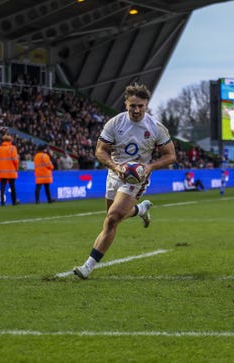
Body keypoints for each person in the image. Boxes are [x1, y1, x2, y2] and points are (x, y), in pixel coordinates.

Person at [73, 83, 177, 279]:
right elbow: (100, 151)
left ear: (147, 105)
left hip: (137, 177)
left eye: (141, 106)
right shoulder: (114, 123)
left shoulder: (156, 128)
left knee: (113, 217)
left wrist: (149, 167)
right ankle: (140, 209)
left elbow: (171, 155)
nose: (136, 110)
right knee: (111, 220)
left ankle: (88, 266)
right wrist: (115, 167)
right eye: (132, 106)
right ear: (126, 104)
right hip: (115, 174)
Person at [0, 134, 20, 206]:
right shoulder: (12, 148)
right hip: (11, 171)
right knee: (12, 187)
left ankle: (2, 203)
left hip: (2, 172)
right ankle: (14, 202)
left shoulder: (0, 148)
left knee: (2, 187)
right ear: (10, 141)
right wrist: (16, 168)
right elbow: (15, 160)